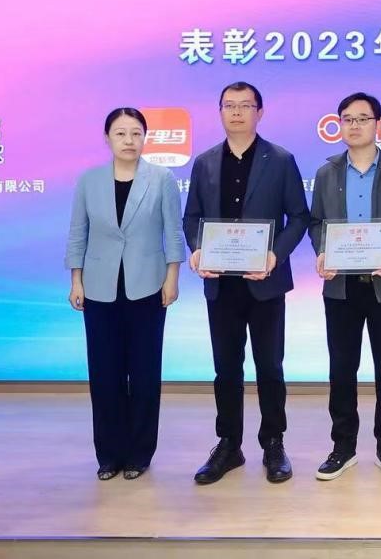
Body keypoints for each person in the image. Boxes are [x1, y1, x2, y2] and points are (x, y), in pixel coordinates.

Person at [183, 82, 310, 485]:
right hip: (221, 284)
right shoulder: (204, 162)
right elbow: (192, 218)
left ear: (260, 112)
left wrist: (275, 255)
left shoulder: (281, 160)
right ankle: (228, 445)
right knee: (225, 368)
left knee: (269, 366)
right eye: (229, 105)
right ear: (220, 111)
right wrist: (198, 249)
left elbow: (299, 217)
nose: (236, 112)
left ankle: (274, 443)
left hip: (265, 281)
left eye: (245, 105)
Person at [310, 92, 381, 481]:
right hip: (341, 288)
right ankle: (342, 448)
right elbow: (316, 222)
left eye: (363, 118)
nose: (354, 125)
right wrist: (323, 250)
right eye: (347, 119)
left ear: (379, 124)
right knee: (342, 369)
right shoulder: (327, 173)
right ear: (339, 125)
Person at [65, 107, 183, 481]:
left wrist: (172, 277)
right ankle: (109, 455)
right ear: (107, 138)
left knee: (145, 373)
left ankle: (139, 454)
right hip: (99, 288)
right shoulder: (89, 181)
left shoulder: (162, 179)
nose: (129, 140)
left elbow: (173, 232)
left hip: (148, 286)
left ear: (145, 138)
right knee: (105, 374)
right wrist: (76, 280)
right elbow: (78, 233)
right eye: (120, 133)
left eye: (135, 133)